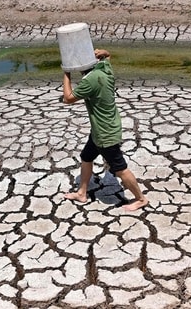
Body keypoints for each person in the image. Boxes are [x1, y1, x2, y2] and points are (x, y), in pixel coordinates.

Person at [62, 49, 148, 211]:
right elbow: (108, 57)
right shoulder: (104, 70)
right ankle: (82, 192)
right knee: (86, 157)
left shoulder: (91, 81)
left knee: (120, 169)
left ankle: (141, 199)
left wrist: (66, 72)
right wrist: (105, 53)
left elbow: (68, 98)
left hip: (105, 134)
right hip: (103, 128)